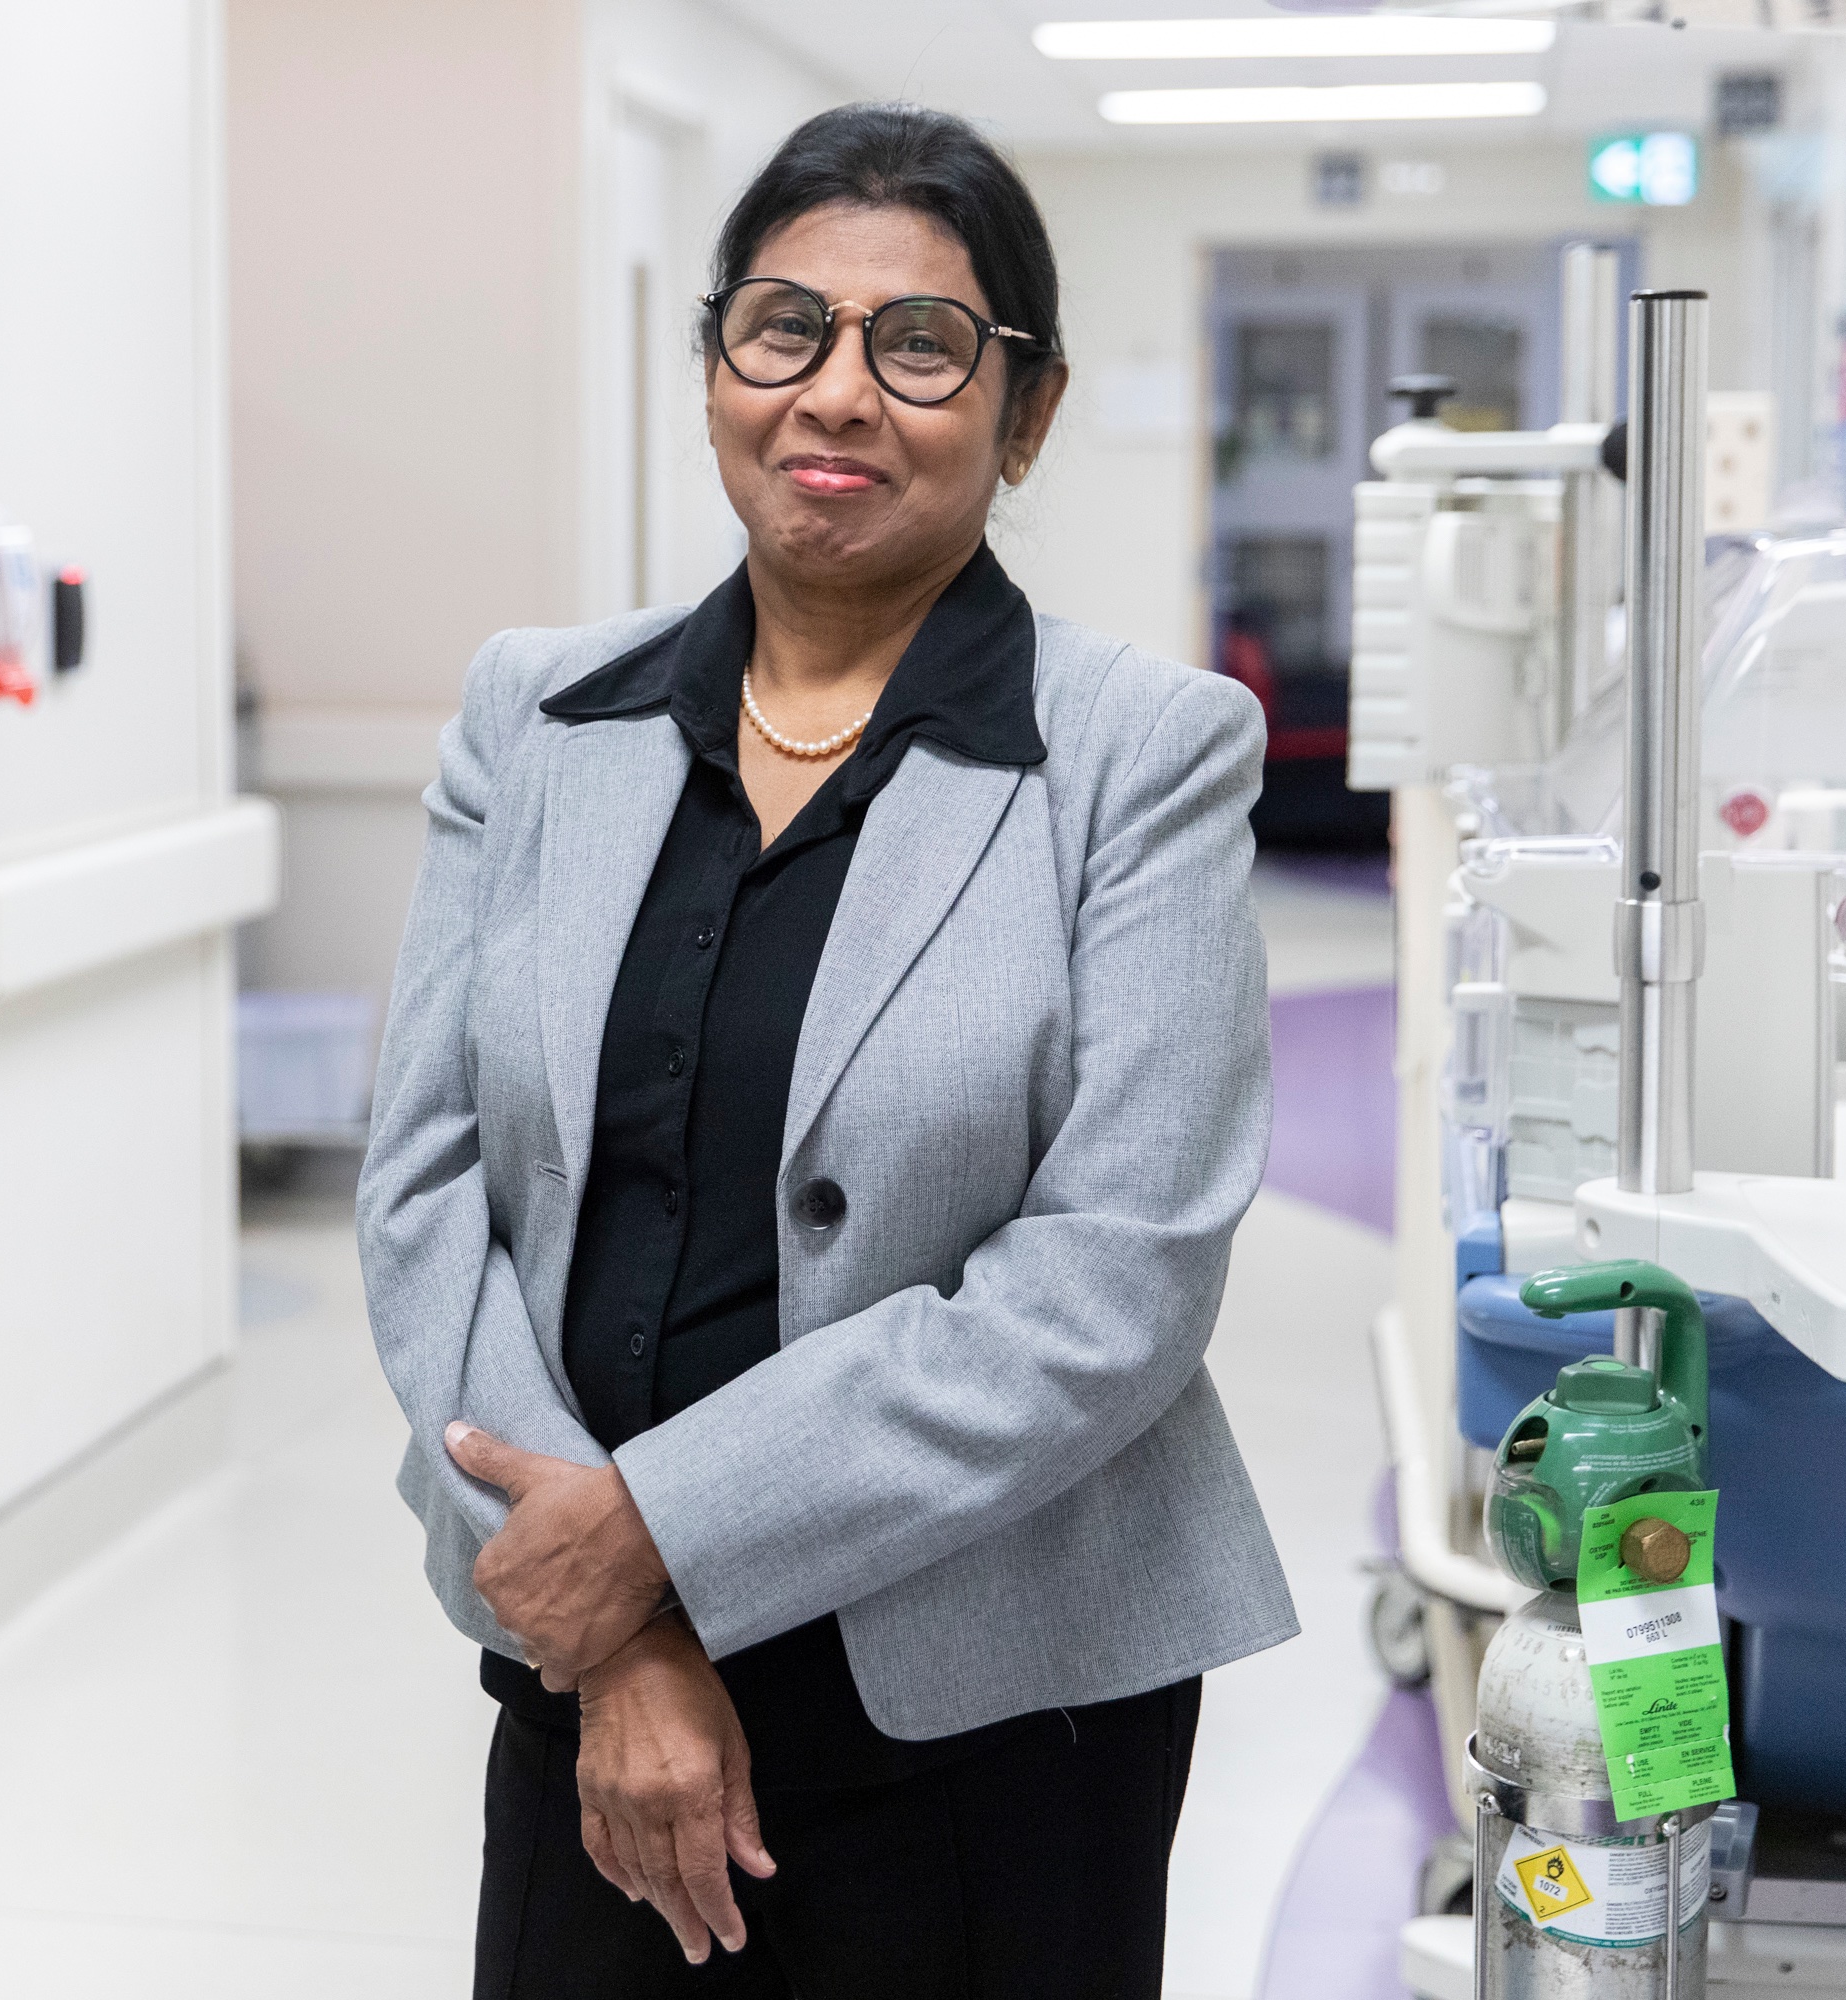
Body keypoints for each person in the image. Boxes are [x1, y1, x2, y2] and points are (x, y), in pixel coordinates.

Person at [358, 101, 1293, 1998]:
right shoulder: (535, 716)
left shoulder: (1139, 752)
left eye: (922, 344)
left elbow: (1118, 1281)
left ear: (1024, 416)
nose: (837, 394)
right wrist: (617, 1633)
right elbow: (425, 1184)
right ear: (716, 367)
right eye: (781, 327)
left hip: (993, 1715)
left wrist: (660, 1535)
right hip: (585, 1682)